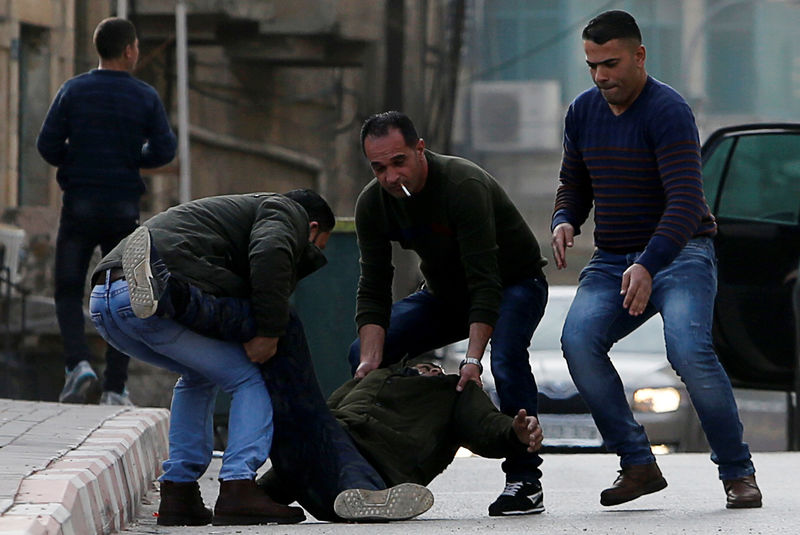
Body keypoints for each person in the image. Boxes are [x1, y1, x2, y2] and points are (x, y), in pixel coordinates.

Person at [90, 190, 433, 526]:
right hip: (155, 287)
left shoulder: (234, 215)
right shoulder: (285, 211)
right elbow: (269, 254)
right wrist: (268, 333)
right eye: (318, 247)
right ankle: (238, 487)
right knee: (247, 379)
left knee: (200, 376)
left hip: (105, 300)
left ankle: (179, 493)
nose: (313, 254)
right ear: (312, 227)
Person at [550, 10, 761, 509]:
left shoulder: (668, 110)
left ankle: (737, 474)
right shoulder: (582, 111)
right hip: (612, 258)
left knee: (688, 351)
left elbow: (686, 202)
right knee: (578, 340)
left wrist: (648, 263)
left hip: (681, 252)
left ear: (640, 56)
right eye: (592, 65)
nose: (602, 76)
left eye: (612, 63)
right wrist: (564, 218)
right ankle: (638, 463)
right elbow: (574, 184)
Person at [350, 111, 549, 516]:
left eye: (399, 162)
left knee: (506, 358)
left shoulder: (463, 184)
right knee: (361, 356)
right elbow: (373, 288)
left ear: (420, 150)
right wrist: (371, 360)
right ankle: (393, 459)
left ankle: (525, 479)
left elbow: (485, 281)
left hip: (514, 284)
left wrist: (472, 360)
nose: (390, 177)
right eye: (379, 167)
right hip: (444, 296)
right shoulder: (373, 203)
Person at [36, 17, 176, 405]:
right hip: (122, 210)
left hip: (78, 206)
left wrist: (75, 161)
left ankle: (77, 365)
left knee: (67, 288)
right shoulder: (144, 96)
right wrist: (133, 157)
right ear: (129, 50)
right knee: (125, 293)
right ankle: (115, 388)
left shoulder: (73, 90)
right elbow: (165, 150)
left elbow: (46, 145)